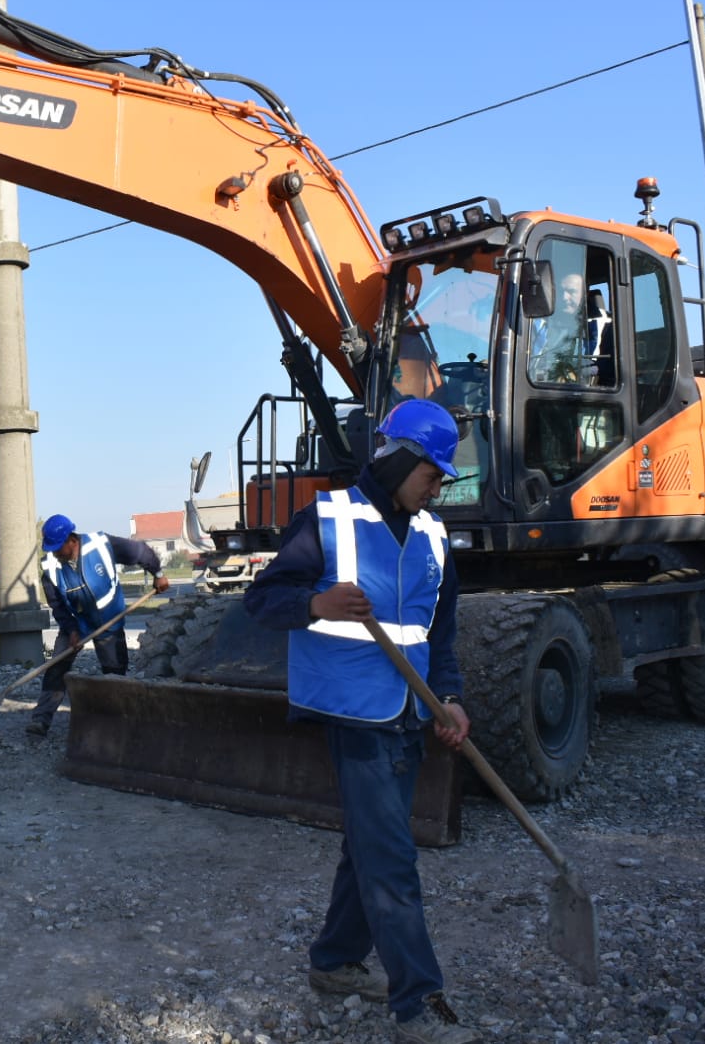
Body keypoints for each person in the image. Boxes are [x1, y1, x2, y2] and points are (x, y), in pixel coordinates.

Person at [243, 399, 481, 1044]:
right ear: (401, 458)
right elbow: (261, 600)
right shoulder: (326, 518)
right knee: (391, 857)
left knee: (371, 849)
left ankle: (335, 963)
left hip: (410, 710)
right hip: (351, 709)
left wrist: (451, 698)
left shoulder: (432, 535)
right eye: (432, 473)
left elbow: (443, 632)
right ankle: (418, 1002)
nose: (437, 487)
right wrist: (316, 600)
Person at [28, 513, 171, 737]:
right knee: (57, 668)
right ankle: (41, 720)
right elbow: (57, 605)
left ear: (71, 540)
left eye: (57, 547)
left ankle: (119, 722)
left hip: (108, 619)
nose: (54, 552)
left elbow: (141, 552)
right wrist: (72, 629)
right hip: (76, 622)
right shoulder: (50, 569)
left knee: (114, 674)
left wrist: (158, 574)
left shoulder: (102, 545)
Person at [528, 271, 588, 383]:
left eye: (571, 291)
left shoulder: (585, 331)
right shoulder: (536, 324)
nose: (564, 297)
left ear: (584, 295)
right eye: (561, 291)